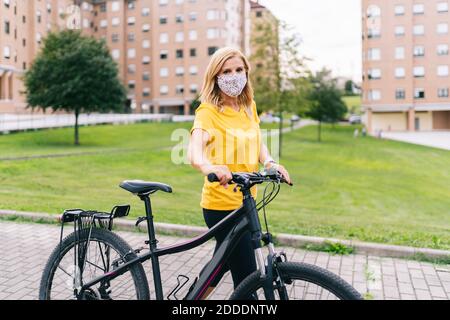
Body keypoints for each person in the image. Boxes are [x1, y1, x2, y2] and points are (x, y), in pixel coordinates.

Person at [187, 47, 291, 299]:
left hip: (246, 201)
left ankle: (190, 300)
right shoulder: (208, 112)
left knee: (221, 264)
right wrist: (209, 167)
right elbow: (194, 152)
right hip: (220, 205)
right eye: (226, 71)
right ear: (216, 76)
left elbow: (257, 141)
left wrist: (270, 162)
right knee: (247, 276)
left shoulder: (248, 106)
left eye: (238, 70)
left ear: (246, 73)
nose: (233, 76)